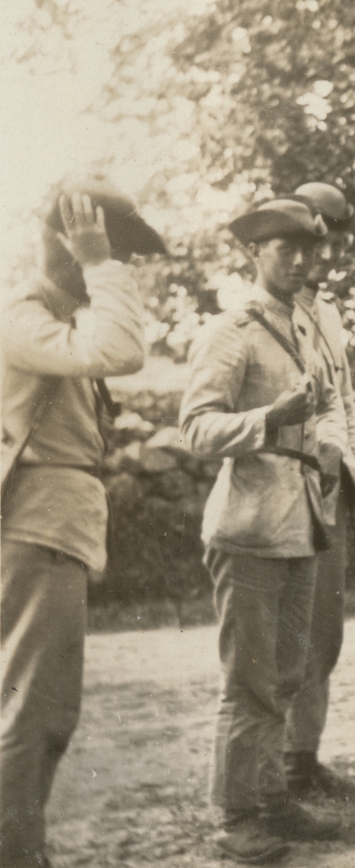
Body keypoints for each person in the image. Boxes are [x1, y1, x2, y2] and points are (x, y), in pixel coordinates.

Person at [1, 182, 164, 868]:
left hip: (55, 527)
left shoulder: (54, 317)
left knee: (50, 712)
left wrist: (97, 268)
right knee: (31, 711)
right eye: (111, 252)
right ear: (70, 243)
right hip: (33, 526)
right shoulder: (20, 313)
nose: (118, 268)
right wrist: (102, 263)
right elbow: (122, 352)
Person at [181, 198, 346, 864]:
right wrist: (271, 420)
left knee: (287, 672)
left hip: (301, 524)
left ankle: (273, 799)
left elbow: (329, 407)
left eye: (308, 249)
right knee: (247, 679)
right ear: (256, 254)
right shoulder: (233, 331)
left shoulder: (305, 324)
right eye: (285, 250)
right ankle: (234, 814)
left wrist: (329, 451)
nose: (301, 261)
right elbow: (195, 429)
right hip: (247, 527)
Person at [282, 183, 355, 798]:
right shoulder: (272, 309)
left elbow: (343, 402)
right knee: (287, 631)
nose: (325, 249)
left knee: (325, 631)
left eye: (334, 236)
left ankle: (302, 756)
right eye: (315, 234)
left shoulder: (331, 313)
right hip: (288, 481)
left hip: (332, 486)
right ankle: (275, 768)